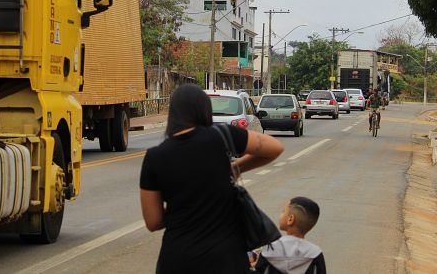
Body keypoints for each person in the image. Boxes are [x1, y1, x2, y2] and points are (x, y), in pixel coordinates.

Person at [139, 84, 284, 274]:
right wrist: (237, 168)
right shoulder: (222, 136)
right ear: (205, 110)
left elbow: (153, 221)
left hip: (177, 260)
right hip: (226, 259)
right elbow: (274, 148)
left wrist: (183, 208)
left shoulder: (154, 157)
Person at [253, 196, 326, 274]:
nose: (281, 213)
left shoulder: (270, 249)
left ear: (290, 219)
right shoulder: (315, 253)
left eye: (283, 211)